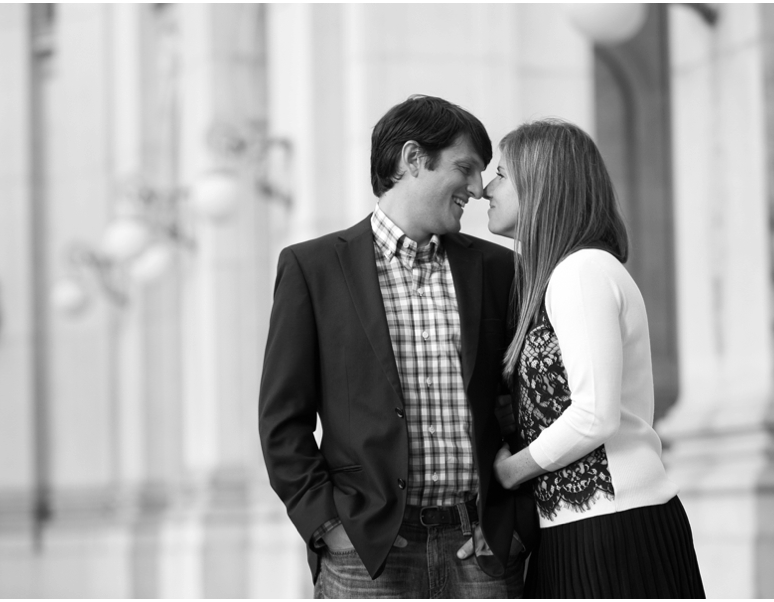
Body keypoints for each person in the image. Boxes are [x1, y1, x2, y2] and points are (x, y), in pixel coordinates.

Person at [258, 95, 537, 598]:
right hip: (366, 558)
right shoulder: (312, 268)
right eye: (466, 168)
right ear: (413, 159)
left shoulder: (500, 271)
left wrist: (514, 526)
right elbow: (283, 421)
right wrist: (329, 528)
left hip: (484, 554)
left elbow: (526, 405)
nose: (477, 189)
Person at [483, 118, 706, 598]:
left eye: (501, 174)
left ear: (541, 184)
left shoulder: (582, 272)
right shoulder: (562, 276)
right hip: (578, 529)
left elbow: (594, 415)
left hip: (614, 534)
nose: (485, 189)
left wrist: (508, 471)